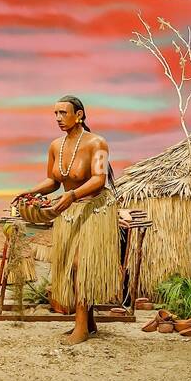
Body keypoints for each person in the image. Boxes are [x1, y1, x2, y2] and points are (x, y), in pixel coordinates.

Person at [22, 96, 121, 345]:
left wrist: (74, 194)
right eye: (55, 113)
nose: (58, 118)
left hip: (94, 210)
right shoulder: (56, 145)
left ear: (79, 115)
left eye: (63, 113)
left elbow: (99, 179)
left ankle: (81, 328)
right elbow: (53, 181)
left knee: (80, 264)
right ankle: (88, 322)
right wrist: (30, 193)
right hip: (69, 210)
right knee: (72, 264)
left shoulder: (97, 143)